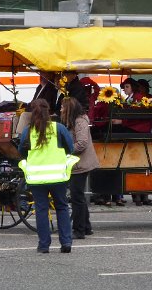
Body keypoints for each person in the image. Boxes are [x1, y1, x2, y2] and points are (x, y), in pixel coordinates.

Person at [18, 99, 76, 254]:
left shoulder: (28, 131)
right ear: (48, 111)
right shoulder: (58, 128)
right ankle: (66, 243)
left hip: (36, 177)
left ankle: (44, 245)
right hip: (58, 176)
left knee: (41, 209)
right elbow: (70, 148)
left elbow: (21, 151)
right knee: (62, 207)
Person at [60, 97, 97, 238]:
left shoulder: (79, 121)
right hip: (78, 163)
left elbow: (82, 143)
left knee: (76, 197)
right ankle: (86, 227)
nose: (61, 109)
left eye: (63, 107)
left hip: (80, 164)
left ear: (69, 109)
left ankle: (79, 230)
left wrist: (66, 150)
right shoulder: (74, 121)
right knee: (79, 196)